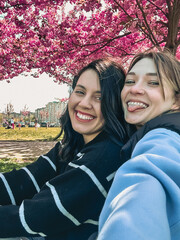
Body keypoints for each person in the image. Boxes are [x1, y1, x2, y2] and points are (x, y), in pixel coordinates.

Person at [0, 58, 134, 240]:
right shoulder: (74, 144)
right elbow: (23, 180)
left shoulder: (105, 157)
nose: (85, 103)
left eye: (99, 97)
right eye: (80, 92)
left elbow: (37, 217)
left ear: (114, 105)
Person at [97, 50, 180, 240]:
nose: (134, 89)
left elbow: (145, 183)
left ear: (176, 100)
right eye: (130, 81)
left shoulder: (162, 137)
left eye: (153, 83)